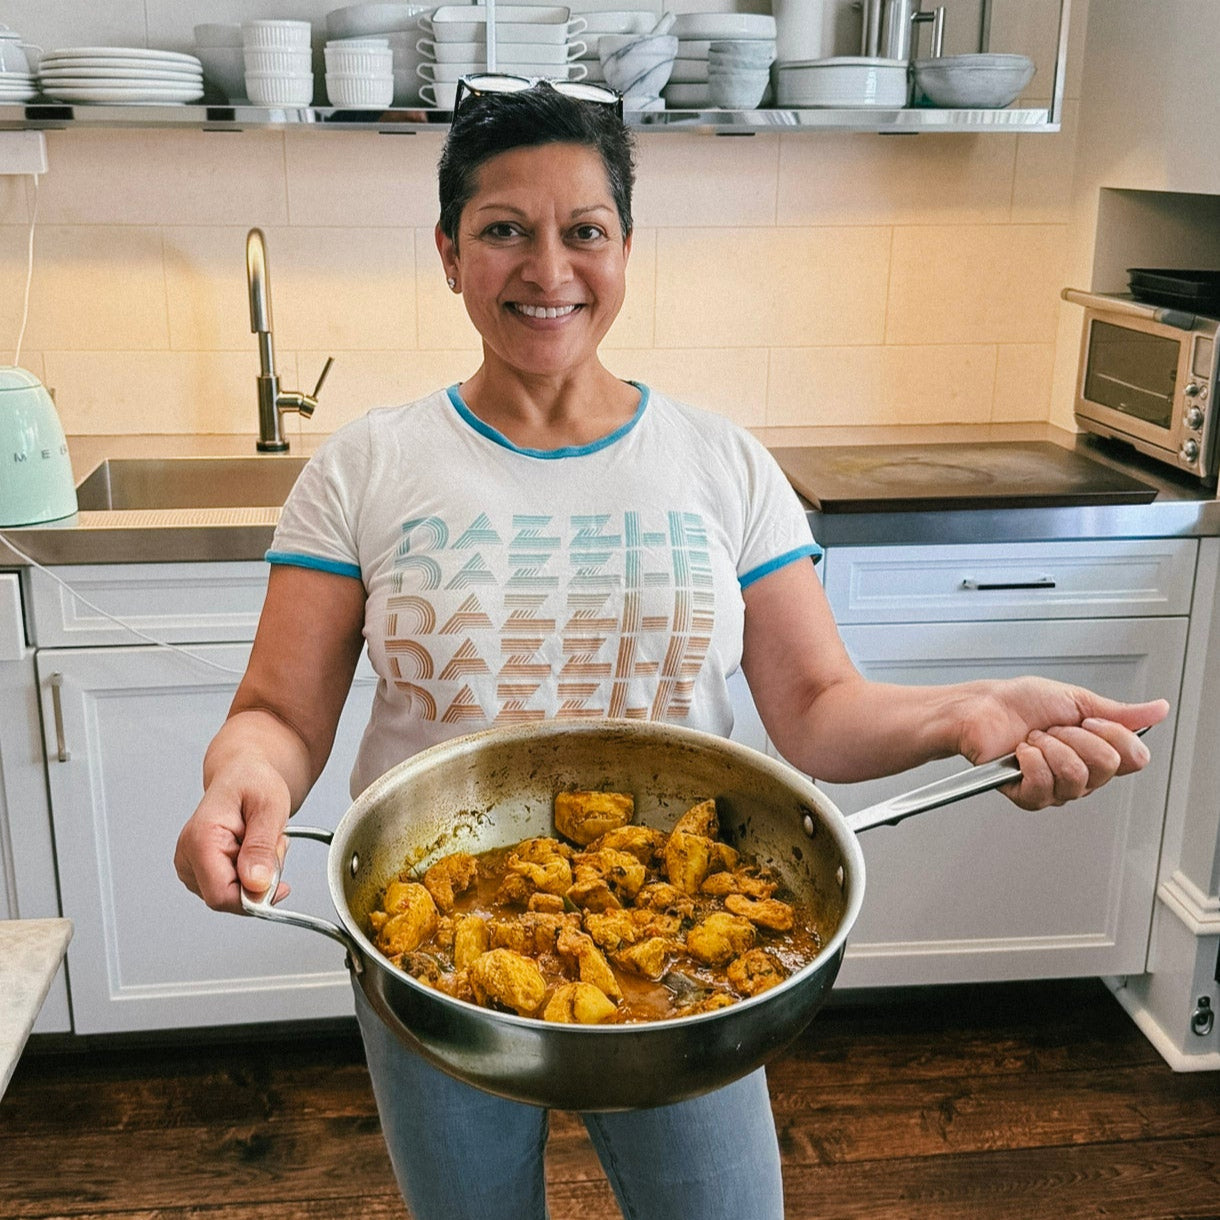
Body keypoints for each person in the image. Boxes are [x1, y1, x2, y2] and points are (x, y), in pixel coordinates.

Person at [174, 77, 1168, 1220]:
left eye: (582, 231)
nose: (548, 270)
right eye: (504, 231)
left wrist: (969, 709)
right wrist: (242, 776)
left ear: (625, 248)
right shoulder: (364, 466)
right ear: (448, 253)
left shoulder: (721, 461)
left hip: (683, 964)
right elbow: (280, 714)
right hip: (433, 952)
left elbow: (817, 708)